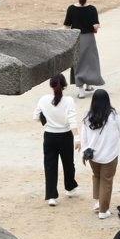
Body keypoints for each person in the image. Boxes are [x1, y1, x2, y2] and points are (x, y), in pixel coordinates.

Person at [80, 90, 120, 220]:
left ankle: (98, 201)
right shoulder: (113, 115)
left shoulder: (88, 117)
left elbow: (83, 137)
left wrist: (84, 152)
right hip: (109, 155)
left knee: (96, 176)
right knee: (106, 181)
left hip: (93, 156)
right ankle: (103, 210)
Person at [34, 73, 80, 207]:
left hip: (49, 135)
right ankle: (70, 187)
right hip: (65, 136)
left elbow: (35, 117)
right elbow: (72, 121)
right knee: (68, 163)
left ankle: (51, 196)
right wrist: (77, 138)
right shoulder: (69, 101)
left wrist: (46, 117)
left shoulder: (43, 100)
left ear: (51, 85)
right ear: (64, 86)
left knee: (50, 166)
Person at [63, 0, 105, 99]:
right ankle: (89, 85)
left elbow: (67, 26)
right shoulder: (92, 9)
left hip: (76, 39)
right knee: (90, 62)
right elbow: (96, 26)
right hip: (89, 39)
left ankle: (81, 90)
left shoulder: (71, 8)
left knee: (78, 63)